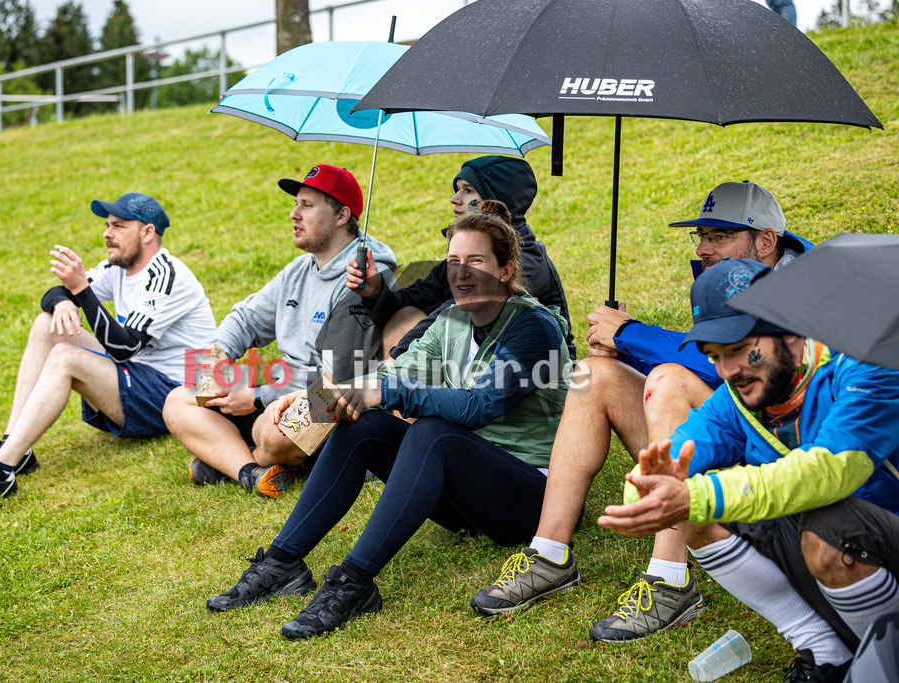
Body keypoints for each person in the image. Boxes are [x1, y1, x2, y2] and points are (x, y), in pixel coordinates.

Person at [204, 200, 571, 639]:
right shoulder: (451, 321)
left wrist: (385, 391)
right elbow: (391, 373)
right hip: (466, 496)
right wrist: (310, 400)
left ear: (507, 270)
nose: (462, 273)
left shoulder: (533, 327)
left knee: (434, 434)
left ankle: (354, 583)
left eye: (476, 261)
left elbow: (480, 405)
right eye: (453, 261)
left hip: (528, 498)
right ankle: (283, 562)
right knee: (362, 426)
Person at [469, 181, 814, 643]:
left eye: (718, 236)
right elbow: (714, 369)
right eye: (701, 235)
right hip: (722, 444)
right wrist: (620, 349)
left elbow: (741, 372)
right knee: (595, 375)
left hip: (776, 475)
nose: (703, 247)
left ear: (766, 240)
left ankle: (669, 580)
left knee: (668, 380)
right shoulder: (729, 277)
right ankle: (549, 552)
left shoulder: (802, 286)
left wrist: (630, 333)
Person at [598, 257, 899, 682]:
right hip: (842, 549)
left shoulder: (868, 365)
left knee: (830, 524)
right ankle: (825, 651)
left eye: (738, 350)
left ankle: (886, 660)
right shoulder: (738, 397)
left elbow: (830, 471)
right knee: (687, 509)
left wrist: (697, 493)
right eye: (714, 356)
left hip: (871, 534)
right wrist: (648, 491)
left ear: (788, 328)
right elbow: (670, 462)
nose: (727, 372)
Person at [0, 193, 218, 513]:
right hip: (141, 376)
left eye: (119, 226)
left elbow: (124, 348)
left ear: (148, 233)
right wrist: (67, 300)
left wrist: (81, 290)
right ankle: (14, 444)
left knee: (65, 358)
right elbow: (54, 294)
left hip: (178, 396)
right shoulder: (119, 268)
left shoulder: (167, 276)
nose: (106, 233)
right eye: (107, 225)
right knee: (48, 324)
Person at [162, 164, 396, 498]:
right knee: (178, 401)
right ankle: (251, 471)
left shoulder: (366, 279)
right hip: (279, 393)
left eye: (307, 206)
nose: (293, 214)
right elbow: (245, 319)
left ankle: (229, 458)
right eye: (295, 204)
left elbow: (337, 375)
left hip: (334, 401)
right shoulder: (300, 269)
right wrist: (217, 355)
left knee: (276, 434)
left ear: (342, 215)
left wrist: (259, 396)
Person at [348, 155, 575, 360]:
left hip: (531, 376)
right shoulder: (466, 256)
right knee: (405, 317)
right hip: (474, 364)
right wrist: (375, 292)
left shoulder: (521, 263)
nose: (454, 199)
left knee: (437, 338)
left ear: (496, 200)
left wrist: (397, 360)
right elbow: (409, 303)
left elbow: (449, 315)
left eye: (468, 191)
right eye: (458, 189)